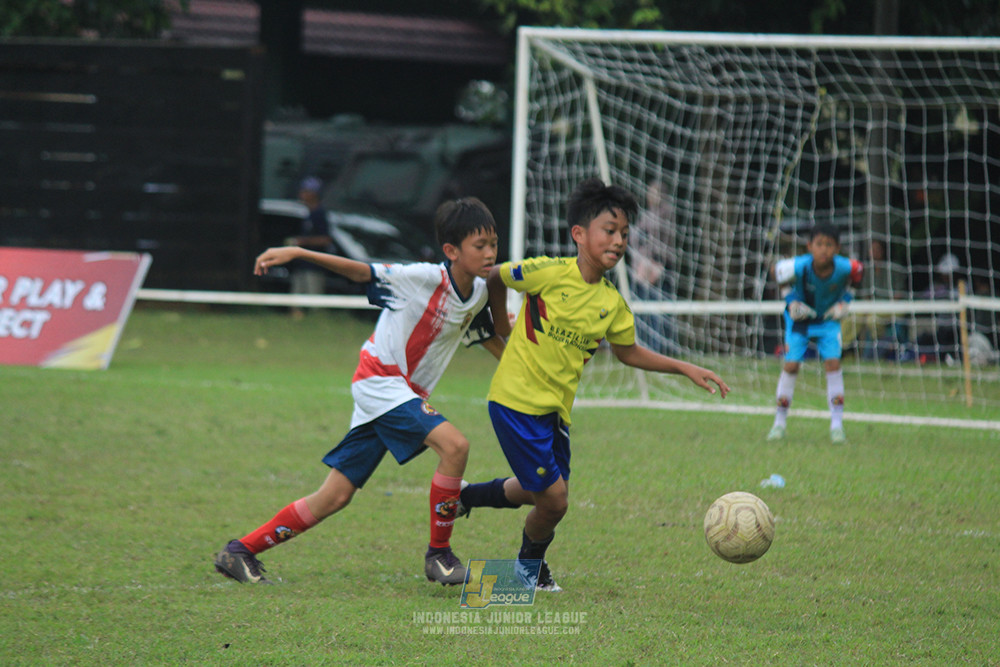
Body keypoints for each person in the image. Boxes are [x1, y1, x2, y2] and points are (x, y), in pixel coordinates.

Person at [213, 197, 505, 586]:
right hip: (381, 381)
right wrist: (298, 251)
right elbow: (359, 272)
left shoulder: (479, 293)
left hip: (397, 394)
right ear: (451, 251)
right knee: (455, 447)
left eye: (493, 244)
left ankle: (240, 552)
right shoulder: (422, 278)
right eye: (479, 246)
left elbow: (488, 338)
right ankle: (440, 556)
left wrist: (531, 369)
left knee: (335, 496)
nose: (489, 253)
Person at [458, 178, 730, 592]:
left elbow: (629, 352)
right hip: (514, 402)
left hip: (554, 413)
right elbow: (494, 276)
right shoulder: (548, 272)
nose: (619, 241)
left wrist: (684, 367)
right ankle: (527, 570)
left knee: (542, 494)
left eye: (624, 233)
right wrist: (499, 326)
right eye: (610, 230)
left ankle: (465, 498)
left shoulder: (612, 304)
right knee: (555, 500)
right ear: (579, 234)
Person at [766, 222, 863, 444]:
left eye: (829, 245)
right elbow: (775, 271)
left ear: (837, 248)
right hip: (800, 319)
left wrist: (846, 300)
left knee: (833, 364)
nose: (824, 249)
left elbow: (860, 272)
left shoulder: (845, 267)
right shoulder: (800, 266)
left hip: (827, 320)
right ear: (810, 246)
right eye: (819, 244)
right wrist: (791, 300)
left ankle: (836, 426)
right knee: (791, 365)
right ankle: (779, 424)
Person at [629, 179, 678, 354]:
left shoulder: (667, 213)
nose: (651, 196)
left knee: (661, 308)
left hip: (660, 267)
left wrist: (652, 261)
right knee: (643, 307)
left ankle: (661, 347)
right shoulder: (647, 214)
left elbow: (658, 240)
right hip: (643, 267)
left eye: (655, 192)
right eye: (650, 192)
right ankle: (645, 344)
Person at [287, 177, 332, 320]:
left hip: (315, 265)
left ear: (314, 193)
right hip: (302, 263)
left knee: (315, 300)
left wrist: (301, 241)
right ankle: (297, 319)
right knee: (296, 298)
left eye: (305, 191)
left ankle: (317, 320)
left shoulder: (320, 214)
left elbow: (326, 239)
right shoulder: (308, 213)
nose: (302, 194)